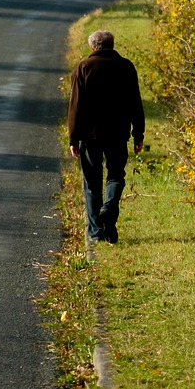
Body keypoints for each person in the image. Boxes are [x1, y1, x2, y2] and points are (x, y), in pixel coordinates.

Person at [68, 28, 145, 244]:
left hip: (89, 135)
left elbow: (75, 107)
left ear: (93, 47)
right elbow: (135, 103)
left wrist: (73, 138)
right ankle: (109, 211)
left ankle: (96, 232)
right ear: (112, 45)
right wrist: (138, 133)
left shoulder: (83, 68)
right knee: (116, 175)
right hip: (118, 133)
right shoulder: (126, 67)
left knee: (92, 182)